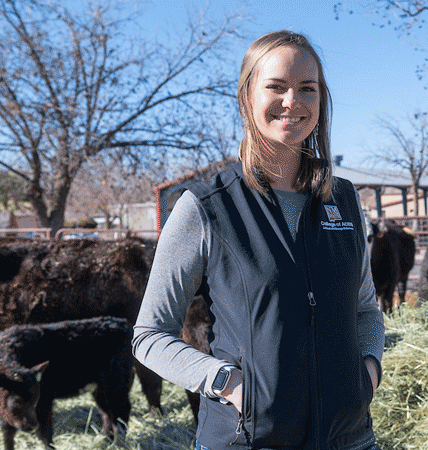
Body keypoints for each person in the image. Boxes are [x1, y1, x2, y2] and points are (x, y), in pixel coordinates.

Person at [133, 30, 385, 450]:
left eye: (308, 88)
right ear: (247, 96)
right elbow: (149, 335)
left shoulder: (344, 200)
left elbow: (364, 309)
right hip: (247, 439)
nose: (293, 101)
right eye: (276, 86)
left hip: (350, 438)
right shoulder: (205, 206)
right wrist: (226, 383)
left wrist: (368, 374)